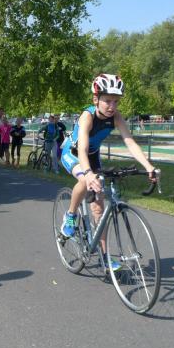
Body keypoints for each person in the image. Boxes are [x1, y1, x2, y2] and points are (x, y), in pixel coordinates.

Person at [59, 74, 157, 271]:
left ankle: (104, 257)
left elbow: (129, 142)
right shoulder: (87, 116)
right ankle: (70, 216)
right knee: (84, 180)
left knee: (99, 209)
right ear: (96, 99)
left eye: (116, 101)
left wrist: (148, 166)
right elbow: (82, 149)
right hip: (73, 153)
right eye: (107, 101)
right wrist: (88, 174)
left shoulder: (116, 117)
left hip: (93, 156)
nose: (112, 106)